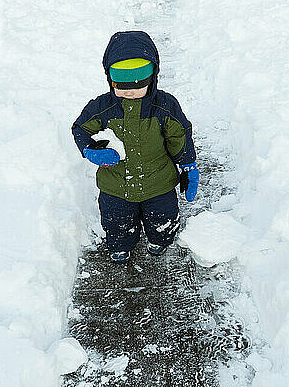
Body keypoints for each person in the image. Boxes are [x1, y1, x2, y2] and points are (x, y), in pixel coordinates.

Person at [71, 31, 199, 264]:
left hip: (159, 182)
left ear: (153, 78)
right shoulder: (103, 107)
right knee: (116, 221)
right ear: (110, 79)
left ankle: (159, 240)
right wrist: (90, 150)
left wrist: (188, 164)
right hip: (115, 184)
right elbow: (80, 128)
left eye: (138, 84)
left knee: (163, 219)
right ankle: (120, 246)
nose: (129, 91)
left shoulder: (165, 107)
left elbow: (179, 135)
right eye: (121, 84)